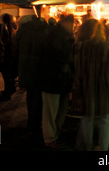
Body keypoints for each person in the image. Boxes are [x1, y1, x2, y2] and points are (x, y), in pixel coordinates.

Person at [73, 19, 109, 151]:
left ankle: (88, 146)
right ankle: (104, 148)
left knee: (87, 118)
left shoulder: (79, 47)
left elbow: (77, 70)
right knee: (105, 118)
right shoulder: (107, 47)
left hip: (86, 88)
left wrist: (77, 87)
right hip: (103, 89)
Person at [39, 15, 75, 149]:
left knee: (57, 109)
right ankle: (50, 138)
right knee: (51, 111)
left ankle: (54, 135)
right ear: (65, 23)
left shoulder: (62, 35)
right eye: (72, 24)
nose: (73, 26)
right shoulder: (57, 36)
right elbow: (58, 57)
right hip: (53, 80)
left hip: (59, 80)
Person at [14, 14, 48, 138]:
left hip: (26, 67)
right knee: (39, 96)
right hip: (41, 68)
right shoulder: (45, 29)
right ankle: (36, 123)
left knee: (30, 94)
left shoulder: (22, 30)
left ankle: (31, 121)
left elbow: (15, 49)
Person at [0, 13, 17, 100]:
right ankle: (10, 89)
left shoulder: (5, 29)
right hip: (12, 54)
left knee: (6, 74)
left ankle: (8, 92)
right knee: (9, 74)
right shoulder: (13, 28)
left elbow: (5, 42)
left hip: (7, 54)